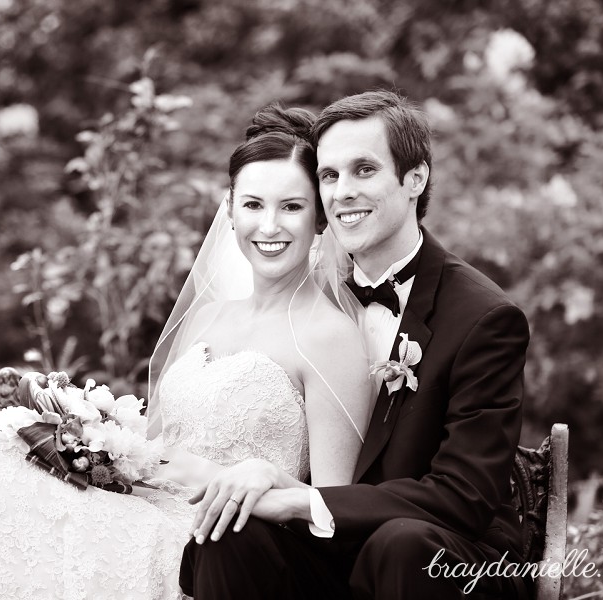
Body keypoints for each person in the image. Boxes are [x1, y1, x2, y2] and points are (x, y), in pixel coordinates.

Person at [0, 104, 375, 600]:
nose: (270, 226)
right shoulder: (211, 316)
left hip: (206, 548)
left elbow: (332, 511)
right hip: (136, 504)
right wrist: (97, 439)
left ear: (321, 219)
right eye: (253, 205)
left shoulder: (330, 336)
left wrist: (239, 476)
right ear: (230, 211)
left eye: (292, 207)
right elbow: (157, 444)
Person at [180, 90, 531, 600]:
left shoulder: (484, 318)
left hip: (447, 559)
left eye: (364, 170)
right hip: (338, 551)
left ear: (415, 179)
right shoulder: (309, 291)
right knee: (231, 532)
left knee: (400, 544)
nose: (342, 191)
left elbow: (464, 497)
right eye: (329, 175)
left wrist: (305, 502)